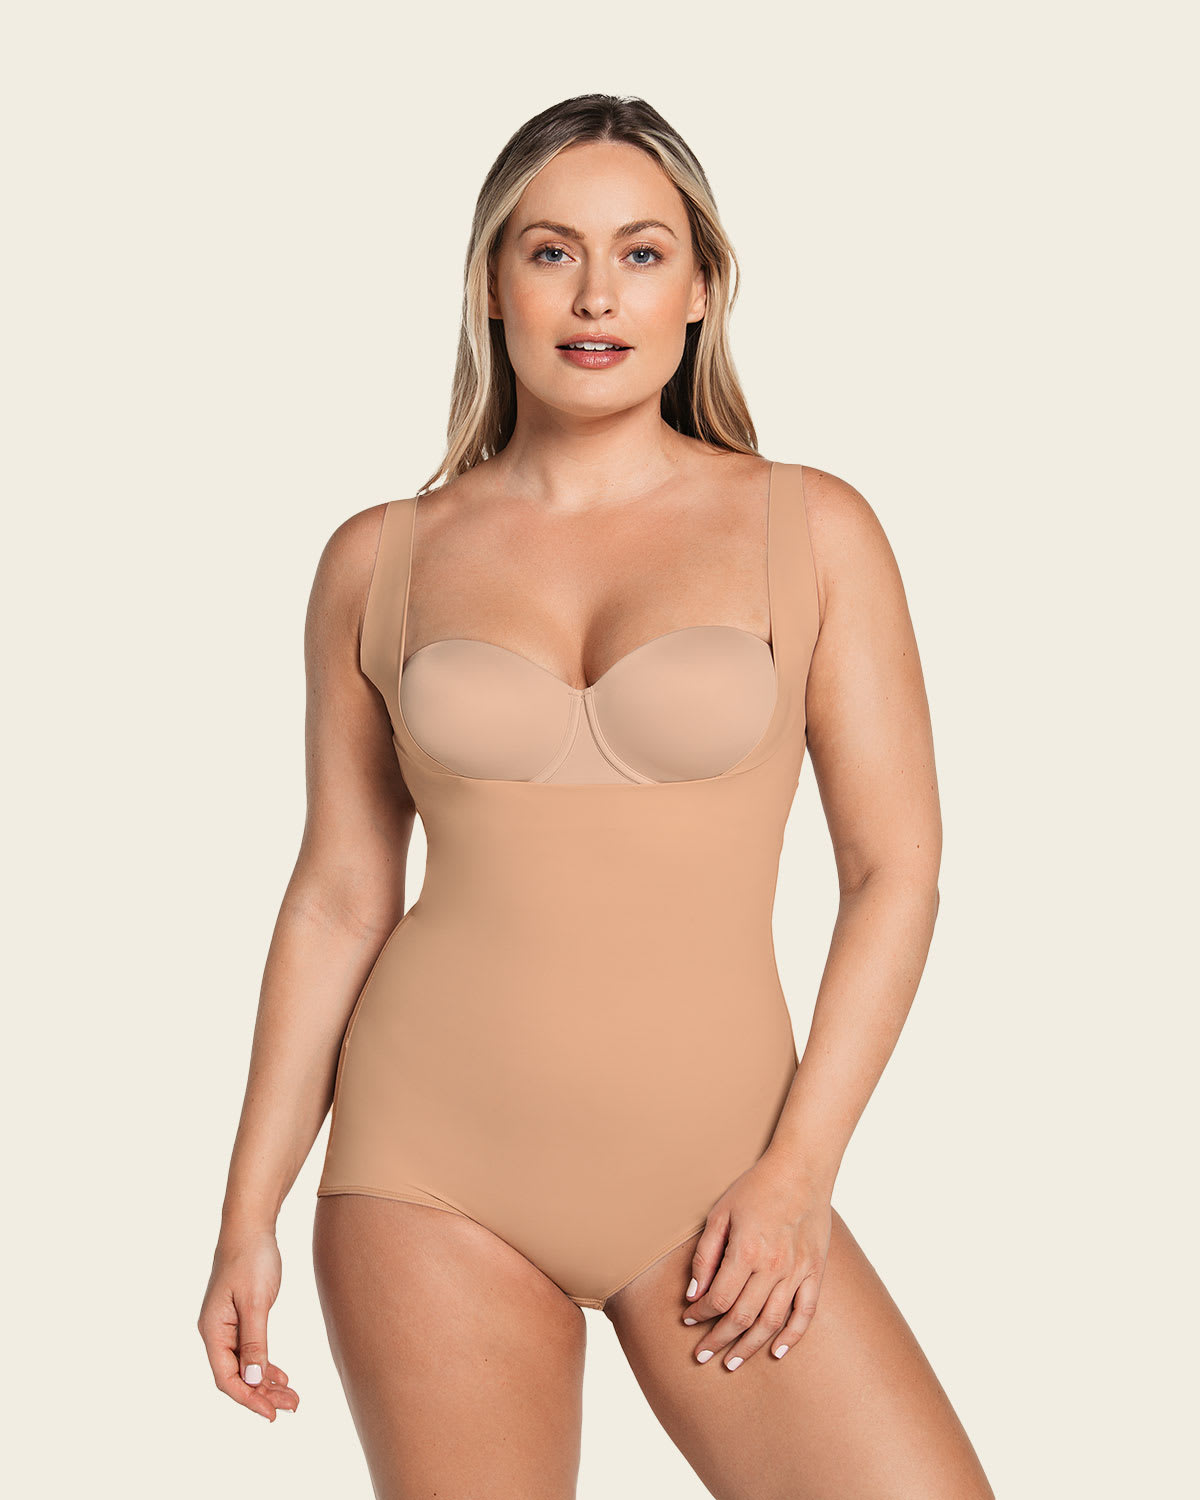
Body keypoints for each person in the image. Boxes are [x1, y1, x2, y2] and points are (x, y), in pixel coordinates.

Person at [198, 93, 995, 1498]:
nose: (594, 295)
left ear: (701, 291)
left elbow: (896, 874)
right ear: (490, 285)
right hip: (426, 1172)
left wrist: (799, 1171)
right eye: (550, 251)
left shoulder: (813, 528)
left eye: (640, 252)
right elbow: (338, 896)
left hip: (724, 1175)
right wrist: (245, 1211)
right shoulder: (377, 560)